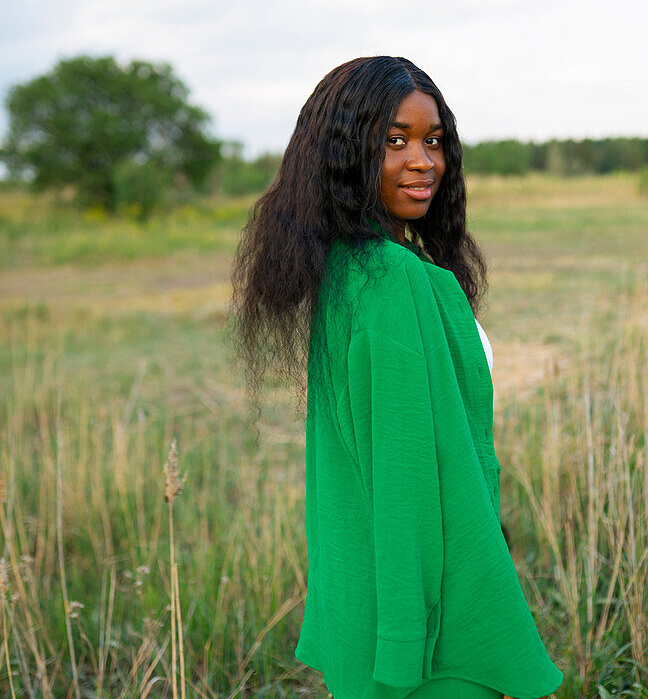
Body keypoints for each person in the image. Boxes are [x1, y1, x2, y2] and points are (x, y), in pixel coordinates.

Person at [229, 56, 563, 699]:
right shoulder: (394, 284)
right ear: (346, 155)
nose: (423, 161)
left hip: (365, 595)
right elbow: (406, 480)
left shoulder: (347, 272)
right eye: (395, 140)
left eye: (433, 140)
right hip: (421, 635)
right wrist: (408, 640)